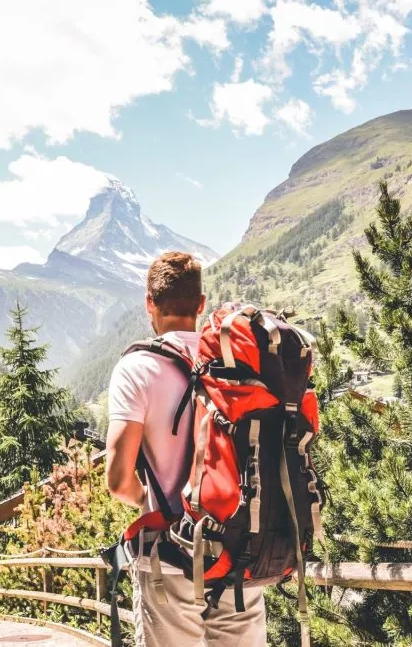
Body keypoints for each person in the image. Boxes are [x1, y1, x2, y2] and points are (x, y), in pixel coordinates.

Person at [105, 251, 267, 647]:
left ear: (149, 303)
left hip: (171, 552)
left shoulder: (137, 367)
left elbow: (118, 480)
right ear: (200, 304)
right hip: (238, 547)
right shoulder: (237, 362)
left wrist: (147, 498)